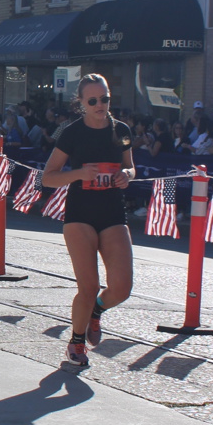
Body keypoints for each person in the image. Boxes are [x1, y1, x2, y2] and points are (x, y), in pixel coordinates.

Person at [41, 74, 134, 369]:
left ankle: (97, 311)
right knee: (89, 284)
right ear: (81, 102)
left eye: (104, 99)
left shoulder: (121, 130)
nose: (99, 105)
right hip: (80, 214)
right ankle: (76, 342)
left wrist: (127, 175)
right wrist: (79, 174)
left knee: (122, 287)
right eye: (92, 100)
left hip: (112, 212)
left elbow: (130, 166)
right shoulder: (72, 133)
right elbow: (48, 177)